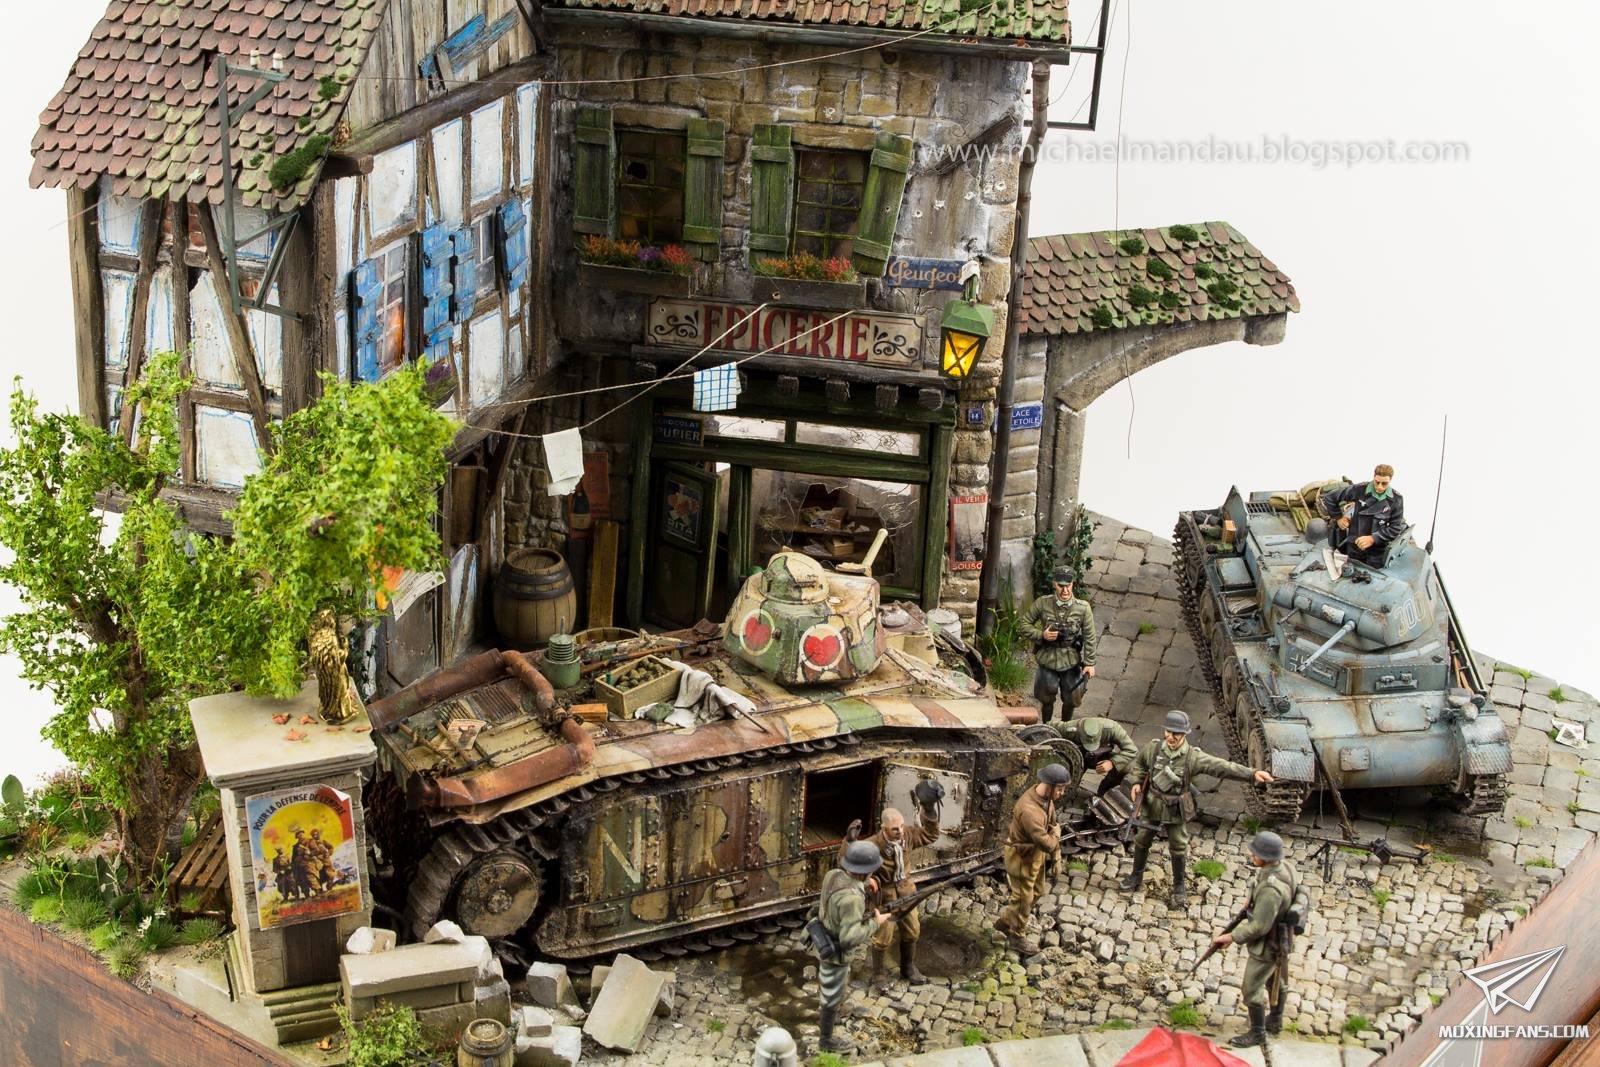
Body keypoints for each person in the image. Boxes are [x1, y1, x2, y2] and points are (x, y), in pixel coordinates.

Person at [1121, 711, 1275, 908]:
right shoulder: (1154, 748)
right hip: (1153, 803)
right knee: (1142, 839)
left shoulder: (1193, 757)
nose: (1171, 737)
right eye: (1168, 732)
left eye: (1176, 733)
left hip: (1175, 808)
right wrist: (1136, 782)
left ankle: (1179, 886)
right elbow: (1140, 765)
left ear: (1184, 734)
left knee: (1178, 845)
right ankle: (1136, 875)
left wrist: (1251, 774)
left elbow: (1221, 767)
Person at [1209, 831, 1301, 1047]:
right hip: (1281, 937)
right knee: (1276, 979)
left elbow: (1260, 926)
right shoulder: (1285, 868)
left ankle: (1258, 1033)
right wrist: (1251, 899)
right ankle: (1275, 1020)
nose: (1252, 855)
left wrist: (1232, 936)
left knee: (1251, 988)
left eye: (1256, 853)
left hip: (1269, 944)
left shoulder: (1271, 890)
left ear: (1267, 857)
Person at [813, 841, 891, 1054]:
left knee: (833, 986)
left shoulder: (832, 875)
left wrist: (864, 883)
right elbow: (849, 938)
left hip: (823, 934)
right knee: (831, 993)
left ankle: (835, 1009)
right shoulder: (853, 901)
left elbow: (844, 886)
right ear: (866, 871)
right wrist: (876, 923)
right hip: (836, 951)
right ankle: (826, 1039)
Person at [995, 763, 1071, 957]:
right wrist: (1056, 836)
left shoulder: (1046, 800)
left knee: (1037, 891)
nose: (1062, 793)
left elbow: (1052, 825)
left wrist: (1057, 857)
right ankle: (1016, 936)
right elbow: (1047, 841)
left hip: (1035, 855)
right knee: (1024, 898)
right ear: (1049, 786)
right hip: (1022, 857)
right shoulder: (1030, 811)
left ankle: (1006, 921)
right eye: (1060, 789)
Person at [859, 806, 936, 988]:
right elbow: (851, 866)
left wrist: (929, 811)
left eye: (901, 826)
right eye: (895, 829)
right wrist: (869, 880)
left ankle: (908, 968)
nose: (900, 831)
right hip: (885, 898)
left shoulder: (907, 836)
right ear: (884, 829)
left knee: (913, 931)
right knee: (882, 938)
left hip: (907, 893)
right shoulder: (871, 846)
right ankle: (878, 974)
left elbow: (930, 835)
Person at [1017, 568, 1098, 723]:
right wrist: (1042, 635)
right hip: (1048, 657)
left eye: (1068, 585)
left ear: (1073, 584)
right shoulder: (1043, 603)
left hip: (1071, 659)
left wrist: (1089, 663)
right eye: (1061, 586)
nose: (1065, 590)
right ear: (1054, 584)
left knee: (1073, 696)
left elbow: (1090, 636)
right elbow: (1024, 624)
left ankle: (1066, 726)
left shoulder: (1083, 608)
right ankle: (1047, 725)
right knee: (1046, 695)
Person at [1317, 464, 1404, 566]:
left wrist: (1373, 538)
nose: (1379, 487)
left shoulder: (1396, 499)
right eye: (1377, 482)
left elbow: (1395, 528)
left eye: (1384, 483)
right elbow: (1330, 498)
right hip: (1355, 544)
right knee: (1352, 569)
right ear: (1374, 477)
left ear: (1390, 480)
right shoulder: (1360, 489)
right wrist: (1338, 517)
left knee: (1376, 572)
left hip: (1378, 547)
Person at [1048, 716, 1138, 797]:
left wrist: (1112, 762)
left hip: (1101, 756)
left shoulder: (1113, 729)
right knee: (1065, 781)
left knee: (1126, 767)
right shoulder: (1069, 728)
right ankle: (1064, 792)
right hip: (1078, 757)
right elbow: (1048, 727)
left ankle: (1103, 794)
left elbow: (1132, 750)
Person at [290, 829, 315, 898]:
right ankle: (307, 896)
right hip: (300, 866)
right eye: (299, 834)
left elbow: (316, 850)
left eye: (301, 833)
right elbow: (293, 858)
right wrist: (294, 864)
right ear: (297, 837)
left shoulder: (310, 841)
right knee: (302, 881)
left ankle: (319, 894)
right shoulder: (295, 846)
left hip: (310, 863)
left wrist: (310, 853)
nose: (301, 835)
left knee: (312, 879)